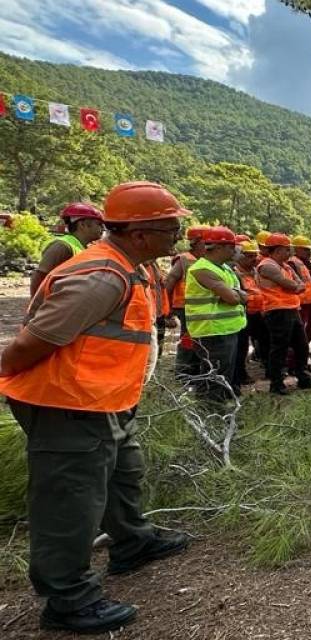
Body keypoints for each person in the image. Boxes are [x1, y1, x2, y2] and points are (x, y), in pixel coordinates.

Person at [0, 181, 193, 634]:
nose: (177, 238)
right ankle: (67, 597)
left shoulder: (130, 266)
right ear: (140, 233)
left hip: (102, 399)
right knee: (71, 499)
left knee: (124, 470)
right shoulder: (101, 276)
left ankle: (132, 542)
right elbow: (35, 340)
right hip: (67, 404)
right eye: (170, 229)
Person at [184, 226, 247, 403]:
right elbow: (233, 298)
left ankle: (220, 415)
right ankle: (211, 417)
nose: (235, 250)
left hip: (226, 330)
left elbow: (242, 295)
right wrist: (237, 295)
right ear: (219, 247)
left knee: (223, 377)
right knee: (214, 379)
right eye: (231, 246)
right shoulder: (202, 269)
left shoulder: (224, 268)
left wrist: (237, 295)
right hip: (212, 332)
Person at [257, 234, 311, 395]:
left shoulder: (286, 266)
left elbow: (299, 284)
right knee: (279, 348)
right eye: (287, 249)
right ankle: (276, 383)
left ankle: (302, 376)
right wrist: (294, 286)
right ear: (278, 249)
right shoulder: (267, 265)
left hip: (292, 309)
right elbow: (290, 285)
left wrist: (294, 286)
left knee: (302, 345)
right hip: (276, 311)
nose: (289, 252)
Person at [30, 202, 105, 296]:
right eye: (98, 224)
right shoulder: (62, 246)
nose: (102, 228)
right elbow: (40, 277)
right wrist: (36, 308)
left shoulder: (84, 247)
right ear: (82, 225)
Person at [166, 226, 207, 377]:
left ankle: (193, 369)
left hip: (199, 307)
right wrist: (167, 306)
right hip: (184, 306)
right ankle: (183, 370)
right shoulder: (184, 259)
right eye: (205, 241)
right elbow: (170, 281)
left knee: (197, 338)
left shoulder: (204, 260)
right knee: (188, 338)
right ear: (196, 242)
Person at [233, 241, 264, 387]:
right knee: (241, 346)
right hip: (244, 315)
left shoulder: (255, 271)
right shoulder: (234, 272)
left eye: (255, 256)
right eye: (250, 256)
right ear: (240, 257)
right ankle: (240, 374)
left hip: (259, 313)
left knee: (266, 341)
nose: (254, 259)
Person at [288, 236, 311, 360]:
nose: (309, 252)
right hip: (300, 305)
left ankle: (302, 362)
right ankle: (293, 363)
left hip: (310, 304)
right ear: (297, 249)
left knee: (307, 335)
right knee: (298, 337)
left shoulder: (307, 263)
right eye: (305, 249)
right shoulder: (293, 262)